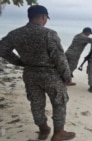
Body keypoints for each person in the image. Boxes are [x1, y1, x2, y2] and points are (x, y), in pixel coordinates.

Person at [0, 5, 75, 141]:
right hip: (50, 75)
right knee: (59, 102)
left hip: (30, 74)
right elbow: (59, 58)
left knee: (36, 103)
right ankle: (58, 133)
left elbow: (2, 49)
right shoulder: (49, 33)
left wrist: (19, 62)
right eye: (46, 18)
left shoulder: (15, 33)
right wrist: (67, 76)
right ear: (43, 16)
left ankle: (43, 129)